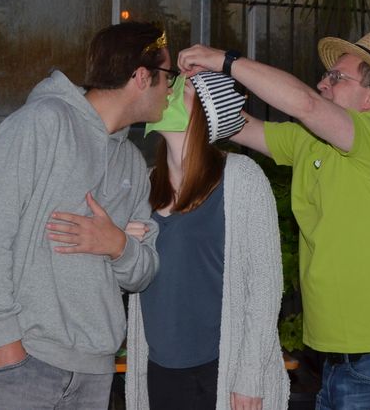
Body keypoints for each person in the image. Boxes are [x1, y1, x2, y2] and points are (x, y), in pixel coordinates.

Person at [178, 32, 370, 410]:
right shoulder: (311, 141)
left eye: (337, 77)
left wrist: (225, 60)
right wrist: (201, 87)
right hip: (336, 359)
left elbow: (304, 103)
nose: (322, 83)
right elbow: (236, 125)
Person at [0, 22, 171, 410]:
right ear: (142, 77)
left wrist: (118, 245)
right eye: (167, 76)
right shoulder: (41, 123)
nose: (170, 89)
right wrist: (5, 341)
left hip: (94, 371)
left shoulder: (133, 164)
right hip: (21, 360)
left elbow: (144, 271)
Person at [121, 71, 290, 410]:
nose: (167, 92)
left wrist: (250, 375)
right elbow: (128, 279)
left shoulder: (241, 177)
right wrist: (121, 246)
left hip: (217, 370)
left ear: (205, 111)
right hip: (158, 370)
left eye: (181, 89)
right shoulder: (144, 185)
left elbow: (265, 285)